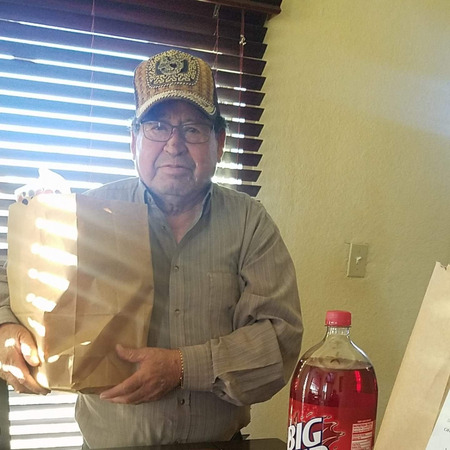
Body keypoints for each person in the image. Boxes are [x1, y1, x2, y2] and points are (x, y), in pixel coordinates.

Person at [0, 49, 303, 448]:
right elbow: (13, 284)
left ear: (219, 142)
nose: (174, 145)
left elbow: (279, 341)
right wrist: (6, 329)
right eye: (158, 126)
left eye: (193, 129)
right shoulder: (88, 211)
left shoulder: (250, 222)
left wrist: (182, 367)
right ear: (134, 140)